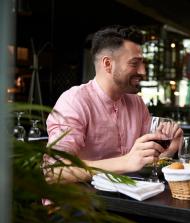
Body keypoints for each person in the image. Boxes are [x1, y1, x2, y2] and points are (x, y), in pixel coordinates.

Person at [46, 25, 182, 183]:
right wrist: (125, 162)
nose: (143, 71)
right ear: (108, 64)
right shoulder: (74, 101)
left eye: (143, 63)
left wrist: (169, 150)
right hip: (78, 203)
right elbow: (53, 171)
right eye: (134, 63)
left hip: (124, 201)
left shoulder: (136, 103)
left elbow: (143, 163)